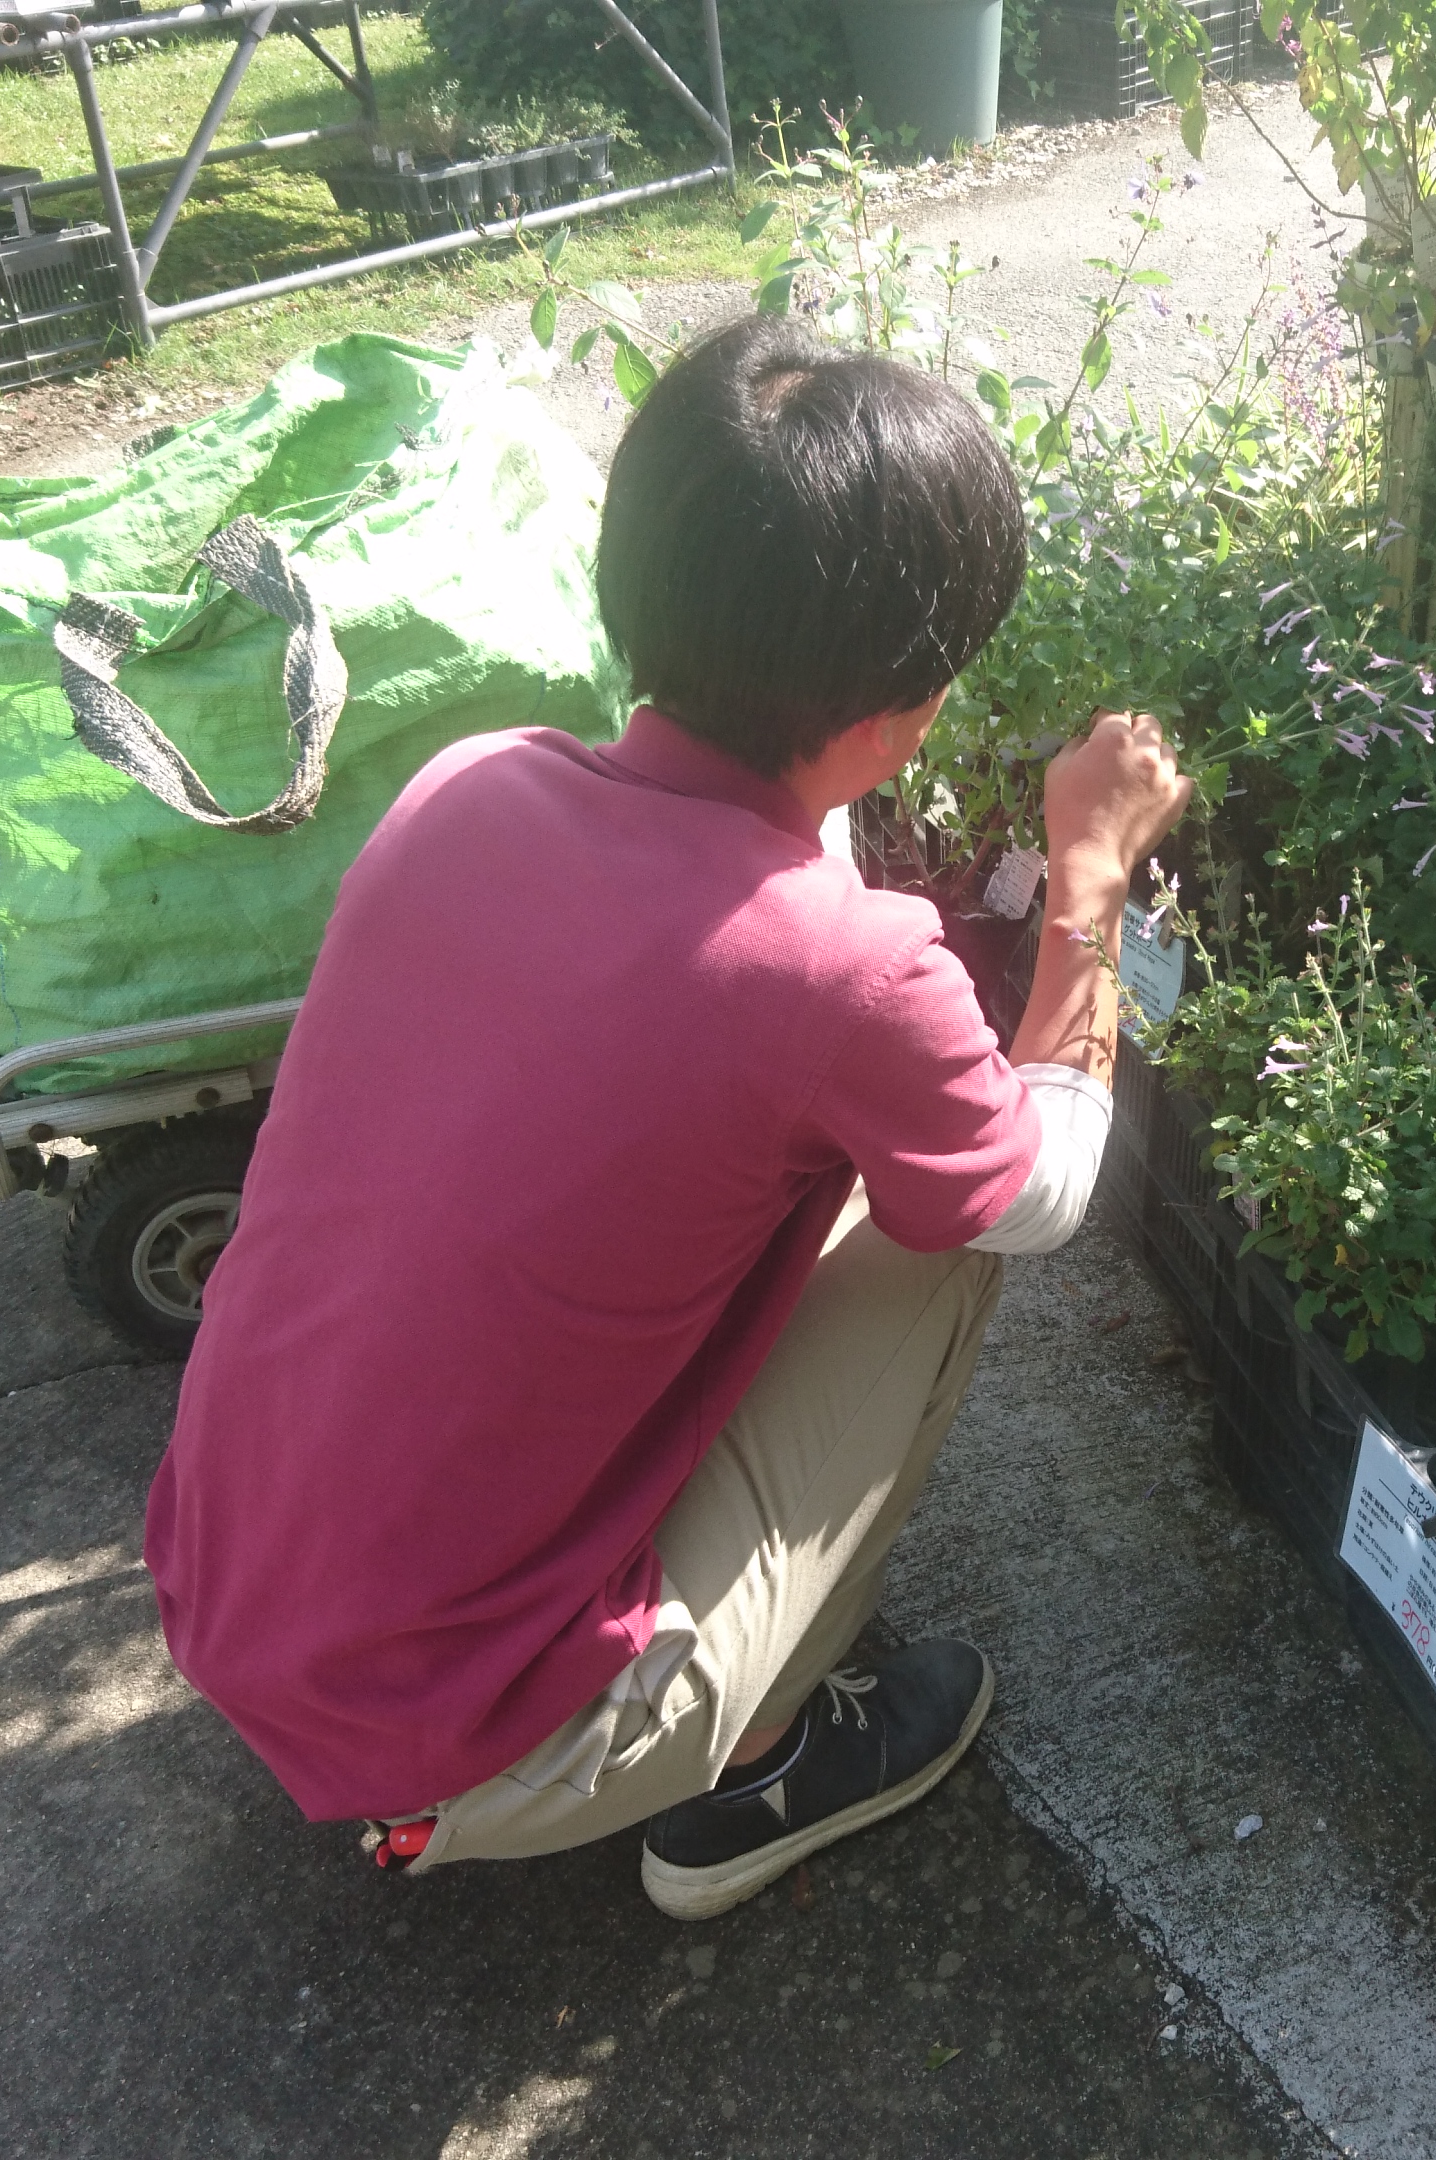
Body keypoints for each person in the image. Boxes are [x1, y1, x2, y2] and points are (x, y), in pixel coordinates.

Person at [140, 312, 1192, 1921]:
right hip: (483, 1747)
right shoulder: (845, 972)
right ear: (898, 714)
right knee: (944, 1238)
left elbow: (732, 910)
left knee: (817, 1168)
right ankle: (755, 1766)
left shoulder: (468, 786)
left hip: (241, 1605)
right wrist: (1093, 875)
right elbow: (1036, 1188)